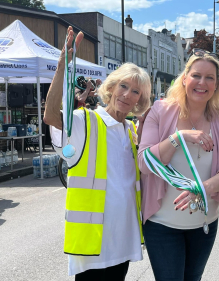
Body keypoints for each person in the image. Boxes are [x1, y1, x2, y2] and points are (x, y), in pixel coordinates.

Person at [44, 26, 151, 280]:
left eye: (135, 91)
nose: (127, 95)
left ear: (140, 100)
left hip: (122, 238)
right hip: (93, 244)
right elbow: (50, 116)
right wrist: (63, 66)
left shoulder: (131, 131)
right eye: (123, 86)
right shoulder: (86, 121)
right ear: (112, 87)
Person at [137, 48, 219, 281]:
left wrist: (200, 189)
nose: (202, 82)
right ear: (184, 79)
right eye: (196, 75)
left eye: (209, 78)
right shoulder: (160, 111)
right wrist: (179, 137)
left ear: (216, 84)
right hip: (162, 223)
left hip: (204, 223)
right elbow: (144, 162)